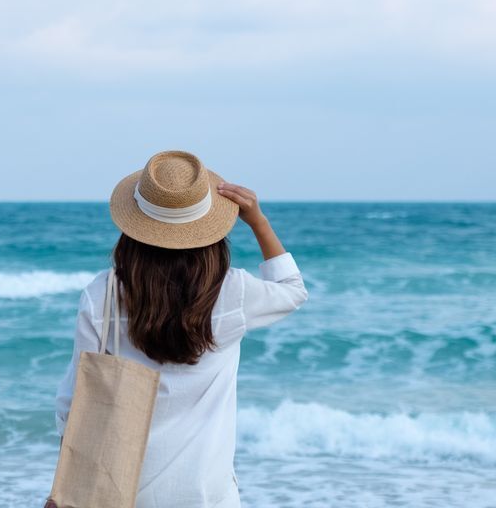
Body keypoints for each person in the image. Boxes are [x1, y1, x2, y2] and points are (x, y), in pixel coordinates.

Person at [51, 150, 308, 508]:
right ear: (210, 228)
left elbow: (72, 402)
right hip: (207, 493)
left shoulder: (103, 293)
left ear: (133, 227)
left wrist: (67, 484)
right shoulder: (232, 291)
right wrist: (258, 221)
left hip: (120, 492)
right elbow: (293, 290)